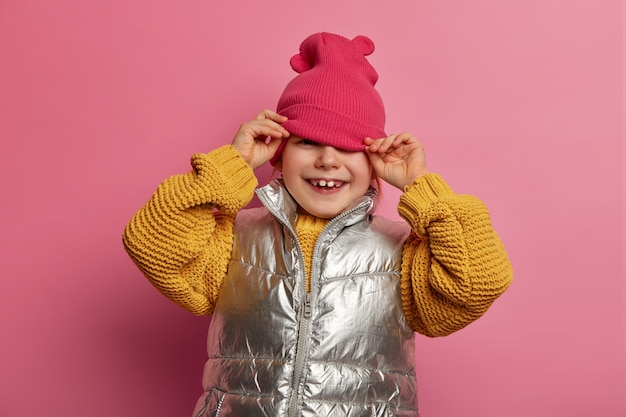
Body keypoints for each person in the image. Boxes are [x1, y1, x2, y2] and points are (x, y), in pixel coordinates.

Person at [123, 32, 513, 417]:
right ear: (278, 152)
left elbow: (478, 282)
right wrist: (233, 164)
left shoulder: (403, 252)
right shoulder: (232, 238)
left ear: (375, 160)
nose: (328, 159)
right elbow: (150, 242)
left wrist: (420, 185)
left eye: (347, 145)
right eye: (308, 141)